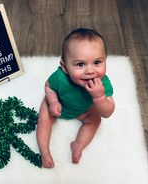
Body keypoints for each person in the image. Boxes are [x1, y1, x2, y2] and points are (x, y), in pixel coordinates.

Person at [36, 28, 115, 168]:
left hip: (83, 109)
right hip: (59, 103)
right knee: (43, 120)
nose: (90, 71)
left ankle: (78, 145)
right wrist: (53, 101)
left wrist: (100, 97)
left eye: (97, 62)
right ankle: (45, 152)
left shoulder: (102, 84)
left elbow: (107, 113)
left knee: (95, 120)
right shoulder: (60, 77)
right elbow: (48, 86)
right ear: (65, 67)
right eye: (80, 64)